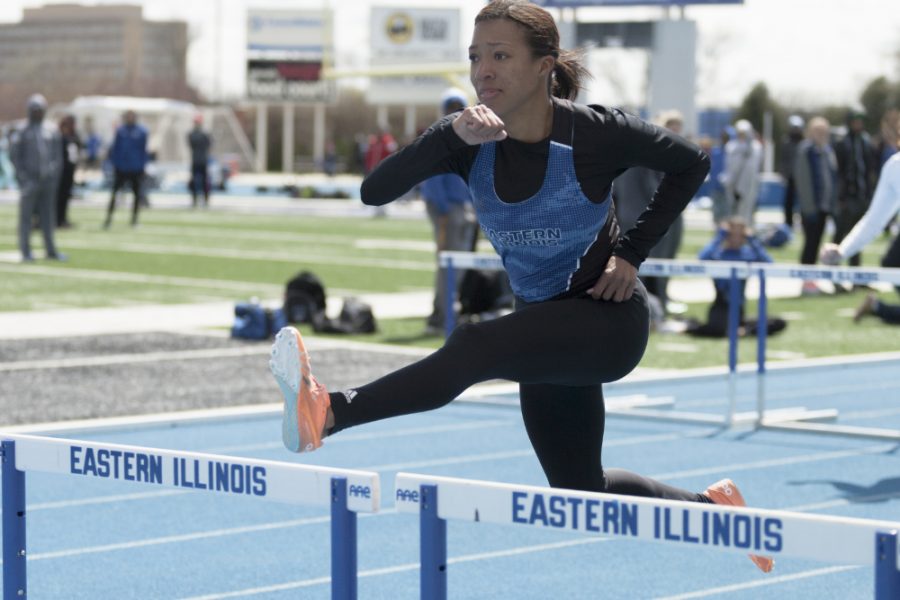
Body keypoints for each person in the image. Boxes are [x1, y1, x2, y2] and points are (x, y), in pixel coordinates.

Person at [271, 0, 774, 573]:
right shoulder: (466, 138)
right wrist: (449, 135)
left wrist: (632, 254)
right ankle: (720, 513)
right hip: (541, 333)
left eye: (500, 56)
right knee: (582, 491)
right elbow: (374, 191)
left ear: (544, 65)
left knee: (474, 344)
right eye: (475, 57)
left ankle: (329, 412)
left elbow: (692, 163)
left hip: (606, 322)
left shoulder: (594, 134)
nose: (483, 70)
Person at [613, 109, 686, 318]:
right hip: (650, 219)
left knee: (633, 266)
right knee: (652, 267)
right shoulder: (651, 152)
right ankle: (651, 309)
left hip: (627, 216)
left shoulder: (618, 150)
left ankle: (639, 308)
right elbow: (658, 190)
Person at [420, 88, 479, 335]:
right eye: (450, 107)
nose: (454, 112)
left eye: (458, 107)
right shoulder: (439, 136)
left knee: (460, 264)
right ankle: (443, 316)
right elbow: (431, 181)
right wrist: (443, 211)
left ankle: (443, 312)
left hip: (465, 208)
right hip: (449, 209)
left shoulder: (471, 136)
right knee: (449, 264)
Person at [821, 152, 900, 324]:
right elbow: (874, 220)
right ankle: (878, 307)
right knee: (890, 264)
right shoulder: (895, 166)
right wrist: (842, 250)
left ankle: (877, 307)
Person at [685, 216, 786, 338]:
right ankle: (690, 326)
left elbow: (769, 263)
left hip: (739, 310)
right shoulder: (718, 255)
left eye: (740, 234)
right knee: (718, 329)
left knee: (779, 323)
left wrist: (752, 240)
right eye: (733, 234)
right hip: (721, 308)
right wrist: (720, 236)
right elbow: (701, 258)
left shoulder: (747, 254)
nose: (736, 238)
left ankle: (742, 330)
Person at [9, 94, 66, 262]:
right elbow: (15, 156)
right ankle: (25, 251)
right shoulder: (21, 130)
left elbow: (57, 156)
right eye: (34, 110)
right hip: (30, 181)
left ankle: (51, 250)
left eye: (40, 110)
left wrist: (54, 175)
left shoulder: (51, 130)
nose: (38, 113)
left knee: (48, 217)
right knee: (26, 217)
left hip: (48, 181)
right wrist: (23, 177)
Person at [793, 116, 837, 296]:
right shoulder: (806, 150)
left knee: (817, 243)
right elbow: (802, 181)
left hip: (824, 207)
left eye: (824, 131)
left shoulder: (826, 150)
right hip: (811, 208)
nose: (821, 134)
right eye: (818, 131)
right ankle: (807, 283)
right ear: (810, 132)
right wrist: (808, 206)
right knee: (810, 245)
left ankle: (812, 282)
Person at [833, 110, 878, 268]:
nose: (859, 124)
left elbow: (870, 169)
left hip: (862, 197)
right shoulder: (842, 143)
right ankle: (835, 275)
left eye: (860, 121)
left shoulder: (866, 142)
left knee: (858, 237)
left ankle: (856, 276)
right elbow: (838, 173)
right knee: (840, 236)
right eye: (855, 121)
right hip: (847, 198)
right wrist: (841, 197)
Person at [104, 110, 148, 229]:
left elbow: (144, 151)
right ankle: (108, 219)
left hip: (135, 168)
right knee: (114, 193)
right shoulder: (120, 131)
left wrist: (143, 166)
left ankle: (134, 220)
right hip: (121, 167)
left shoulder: (142, 131)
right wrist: (115, 164)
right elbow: (115, 148)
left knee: (137, 195)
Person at [722, 119, 763, 226]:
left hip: (749, 185)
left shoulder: (756, 147)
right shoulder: (731, 146)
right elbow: (730, 166)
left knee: (747, 211)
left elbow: (755, 167)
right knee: (733, 212)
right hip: (733, 184)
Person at [779, 115, 805, 228]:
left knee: (805, 203)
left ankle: (805, 224)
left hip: (803, 178)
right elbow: (783, 160)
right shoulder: (786, 142)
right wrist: (784, 174)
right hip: (790, 177)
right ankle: (788, 225)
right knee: (788, 203)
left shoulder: (805, 143)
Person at [56, 113, 81, 228]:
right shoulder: (60, 137)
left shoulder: (73, 137)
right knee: (58, 196)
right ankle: (56, 219)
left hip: (69, 172)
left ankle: (62, 218)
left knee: (65, 196)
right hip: (60, 171)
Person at [187, 114, 212, 208]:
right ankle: (194, 200)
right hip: (195, 160)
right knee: (194, 181)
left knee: (205, 181)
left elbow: (208, 145)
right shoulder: (192, 134)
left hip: (203, 160)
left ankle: (206, 200)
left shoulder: (204, 134)